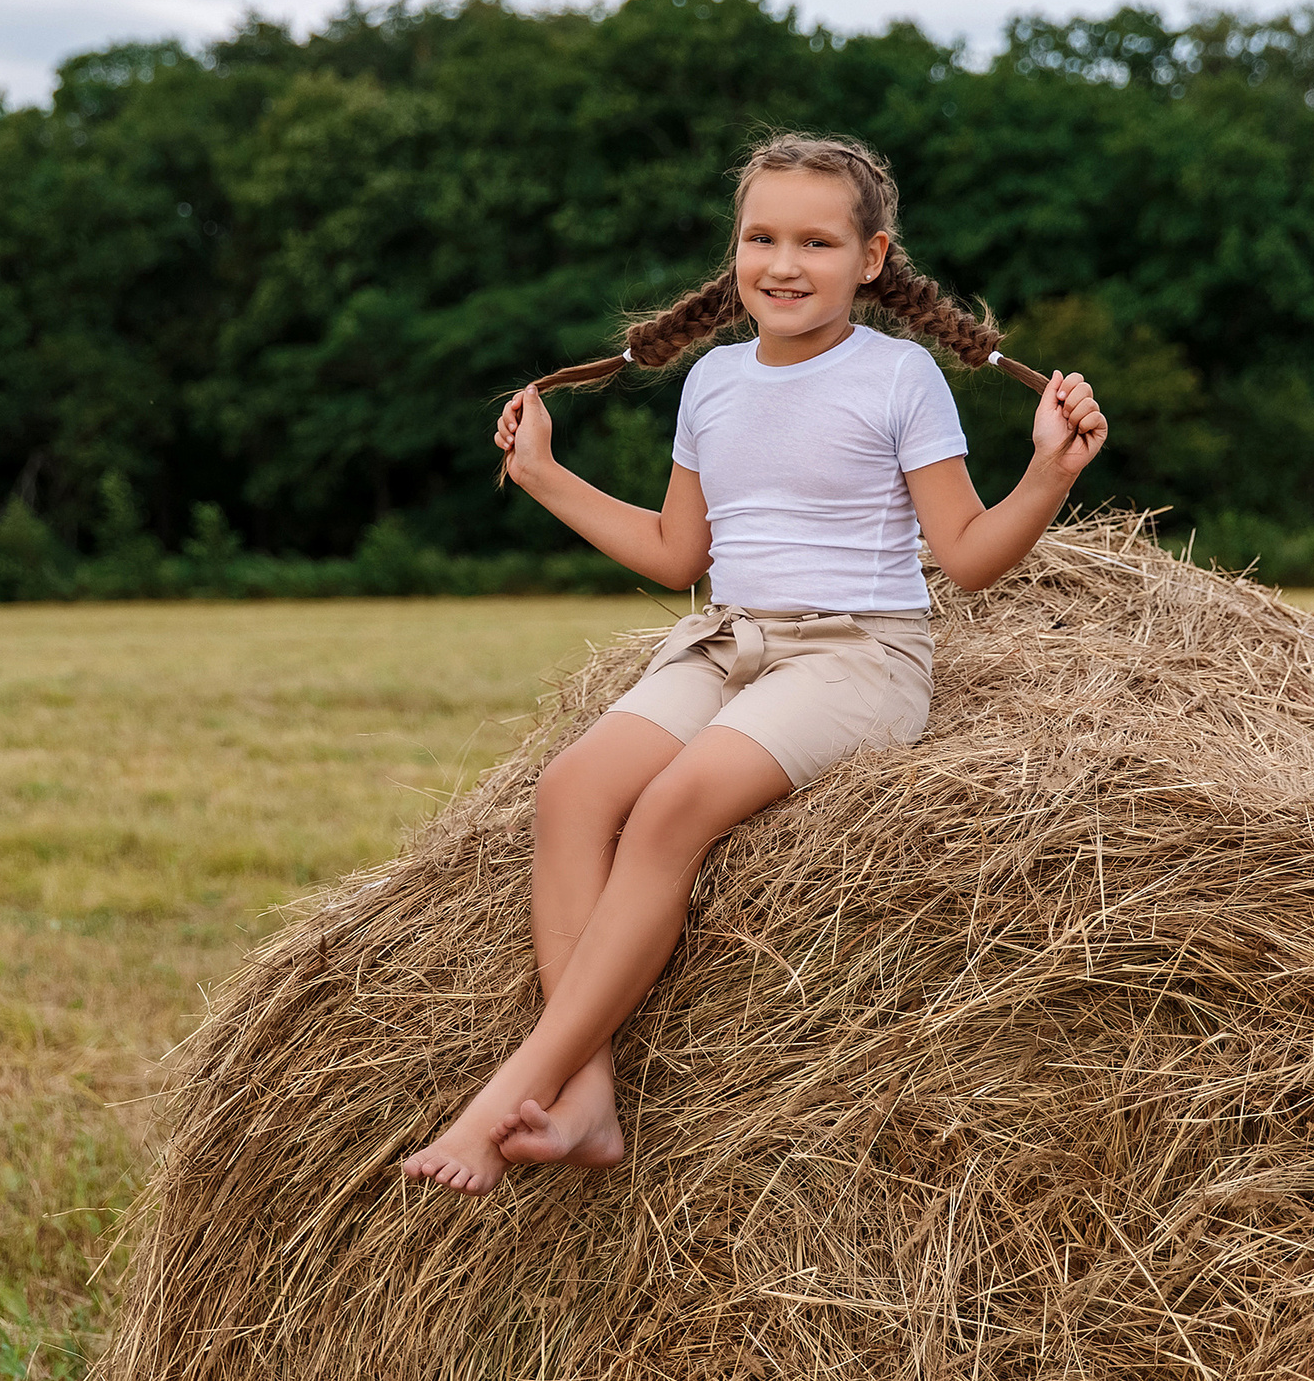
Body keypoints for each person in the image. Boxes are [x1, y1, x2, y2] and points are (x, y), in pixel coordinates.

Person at [400, 133, 1108, 1195]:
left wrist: (1047, 475)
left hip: (856, 651)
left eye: (815, 241)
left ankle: (505, 1097)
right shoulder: (715, 383)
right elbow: (678, 554)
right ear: (733, 252)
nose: (784, 263)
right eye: (761, 237)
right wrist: (544, 477)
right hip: (728, 638)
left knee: (670, 811)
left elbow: (964, 560)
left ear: (871, 259)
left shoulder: (898, 374)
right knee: (570, 794)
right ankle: (584, 1094)